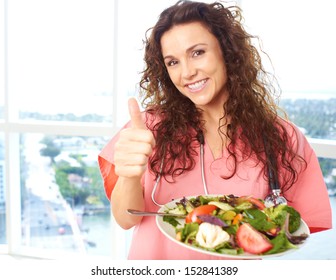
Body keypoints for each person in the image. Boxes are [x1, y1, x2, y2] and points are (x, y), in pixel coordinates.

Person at [98, 0, 332, 259]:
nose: (187, 72)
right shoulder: (147, 128)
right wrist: (129, 175)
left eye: (197, 52)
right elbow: (126, 219)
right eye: (173, 62)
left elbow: (298, 232)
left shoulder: (282, 137)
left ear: (227, 51)